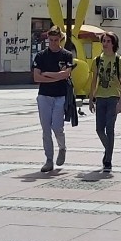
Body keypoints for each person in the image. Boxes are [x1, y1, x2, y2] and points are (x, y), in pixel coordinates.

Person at [33, 27, 75, 172]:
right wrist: (55, 76)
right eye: (50, 40)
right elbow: (36, 77)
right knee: (46, 129)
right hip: (44, 95)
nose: (53, 43)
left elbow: (65, 75)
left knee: (57, 127)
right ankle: (49, 159)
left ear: (60, 40)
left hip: (60, 95)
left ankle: (62, 147)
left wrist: (47, 75)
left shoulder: (67, 55)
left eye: (56, 40)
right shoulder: (41, 56)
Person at [91, 32, 121, 172]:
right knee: (99, 129)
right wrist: (91, 98)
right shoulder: (97, 60)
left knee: (109, 129)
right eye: (103, 41)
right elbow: (94, 80)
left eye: (107, 41)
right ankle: (109, 151)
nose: (104, 43)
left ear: (113, 44)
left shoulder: (119, 60)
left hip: (113, 97)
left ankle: (108, 159)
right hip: (100, 97)